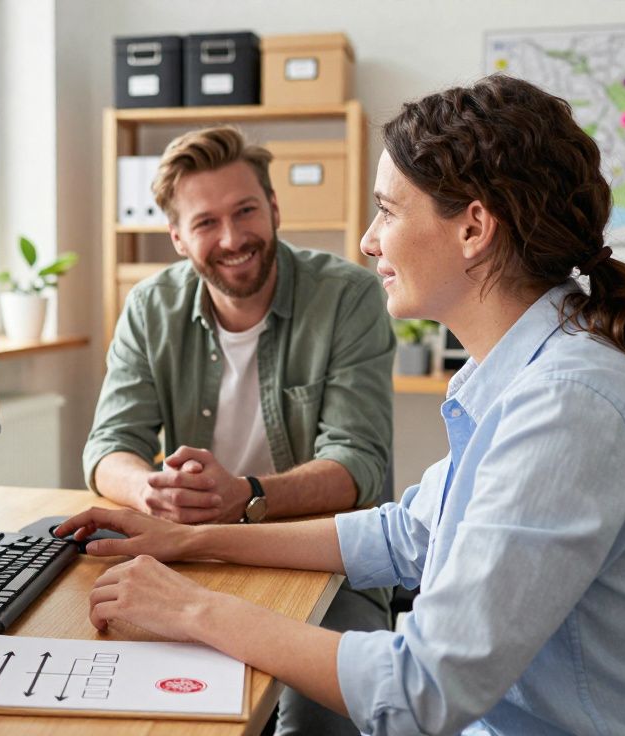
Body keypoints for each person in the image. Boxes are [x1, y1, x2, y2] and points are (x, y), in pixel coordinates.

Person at [59, 75, 625, 735]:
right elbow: (407, 535)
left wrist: (193, 609)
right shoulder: (525, 371)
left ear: (474, 228)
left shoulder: (567, 404)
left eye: (388, 209)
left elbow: (420, 690)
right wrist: (196, 540)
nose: (367, 240)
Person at [82, 125, 395, 734]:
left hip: (324, 564)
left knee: (320, 723)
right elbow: (108, 446)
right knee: (128, 699)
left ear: (274, 209)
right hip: (189, 556)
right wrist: (151, 491)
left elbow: (359, 466)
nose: (232, 238)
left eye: (246, 211)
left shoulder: (349, 296)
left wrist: (247, 495)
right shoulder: (150, 307)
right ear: (177, 237)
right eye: (205, 223)